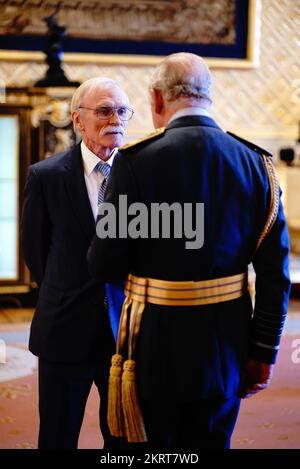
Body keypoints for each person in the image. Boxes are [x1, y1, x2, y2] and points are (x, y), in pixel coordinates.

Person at [87, 53, 291, 450]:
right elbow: (275, 275)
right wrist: (263, 350)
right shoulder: (257, 165)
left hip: (152, 348)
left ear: (157, 99)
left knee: (155, 450)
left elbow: (104, 264)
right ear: (208, 97)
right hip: (227, 348)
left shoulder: (134, 162)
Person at [21, 77, 134, 449]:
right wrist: (65, 289)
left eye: (121, 111)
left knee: (123, 438)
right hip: (64, 329)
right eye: (103, 111)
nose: (114, 119)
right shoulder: (47, 175)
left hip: (125, 333)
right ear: (77, 120)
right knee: (57, 436)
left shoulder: (142, 174)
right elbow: (34, 251)